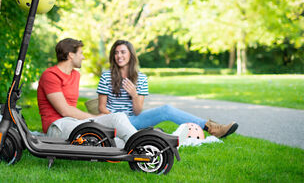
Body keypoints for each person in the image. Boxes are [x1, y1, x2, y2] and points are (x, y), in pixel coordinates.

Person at [97, 40, 239, 138]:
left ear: (130, 55)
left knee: (166, 110)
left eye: (123, 52)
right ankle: (213, 128)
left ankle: (212, 128)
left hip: (133, 120)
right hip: (114, 120)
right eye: (116, 53)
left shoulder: (141, 78)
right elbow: (102, 108)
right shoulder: (106, 76)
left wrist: (134, 95)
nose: (119, 56)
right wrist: (118, 119)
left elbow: (138, 111)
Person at [37, 38, 137, 146]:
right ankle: (145, 147)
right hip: (57, 127)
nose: (83, 57)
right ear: (71, 55)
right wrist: (93, 118)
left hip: (73, 122)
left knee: (119, 118)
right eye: (81, 53)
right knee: (113, 142)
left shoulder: (75, 75)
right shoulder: (50, 75)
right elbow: (64, 110)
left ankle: (145, 145)